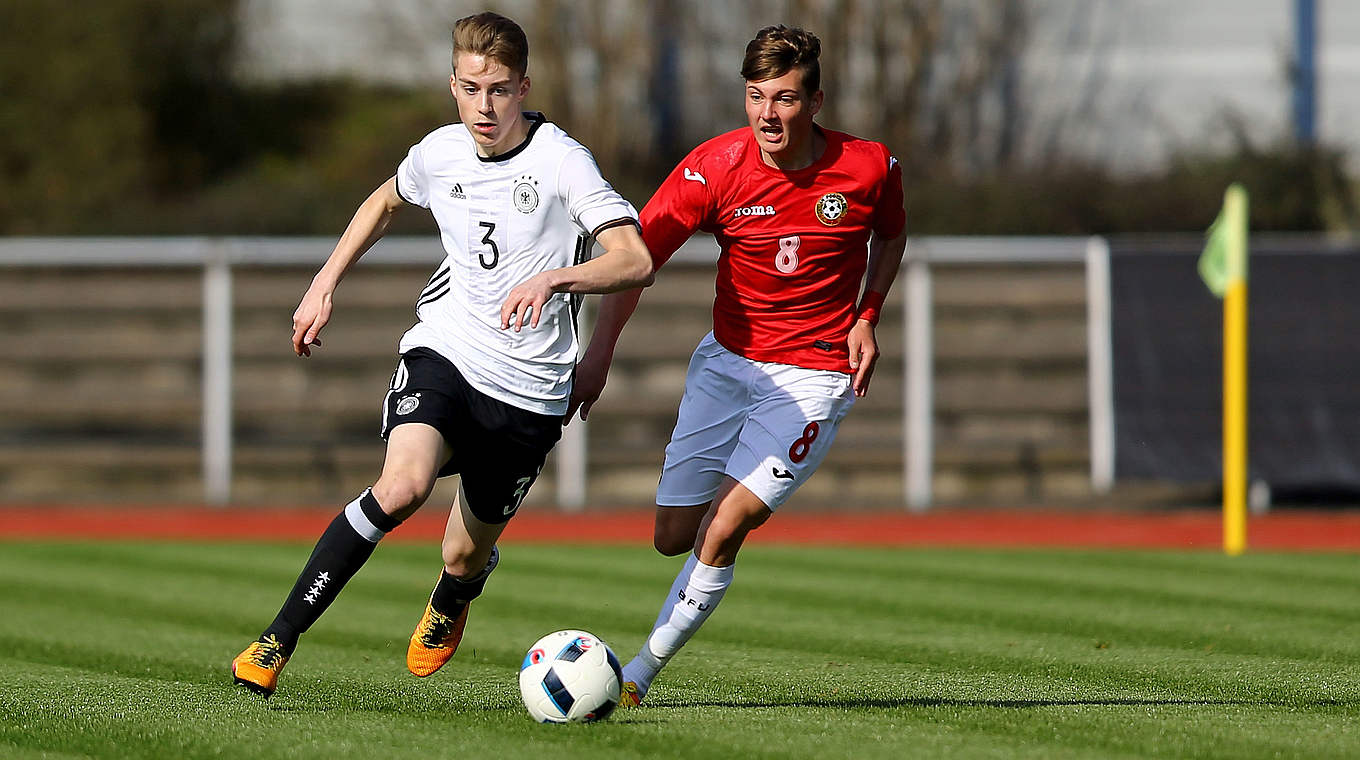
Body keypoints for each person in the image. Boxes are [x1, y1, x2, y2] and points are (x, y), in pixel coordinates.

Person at [230, 11, 653, 698]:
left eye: (500, 90)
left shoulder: (563, 162)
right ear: (452, 83)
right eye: (469, 88)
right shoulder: (439, 152)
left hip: (531, 390)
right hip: (447, 352)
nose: (484, 107)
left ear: (524, 86)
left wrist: (555, 280)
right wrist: (324, 281)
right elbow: (384, 201)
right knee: (401, 487)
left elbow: (634, 259)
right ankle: (275, 640)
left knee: (463, 549)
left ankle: (456, 592)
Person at [569, 24, 907, 706]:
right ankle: (695, 572)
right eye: (755, 96)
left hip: (813, 381)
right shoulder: (712, 169)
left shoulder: (871, 167)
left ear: (815, 102)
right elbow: (634, 264)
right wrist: (598, 352)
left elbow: (891, 234)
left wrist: (868, 314)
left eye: (784, 99)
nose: (767, 114)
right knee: (672, 537)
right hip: (726, 366)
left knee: (726, 524)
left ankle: (638, 674)